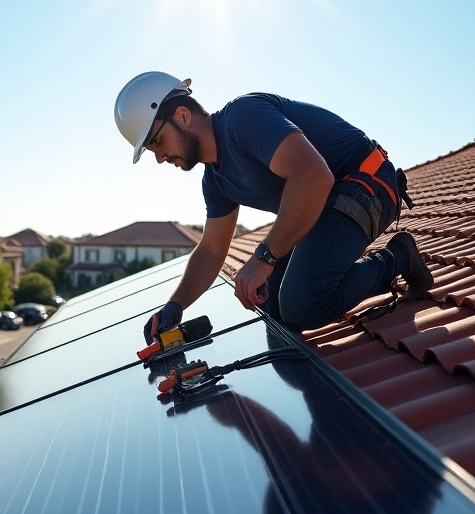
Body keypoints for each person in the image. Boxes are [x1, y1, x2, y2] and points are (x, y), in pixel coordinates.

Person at [114, 71, 434, 342]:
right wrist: (176, 305)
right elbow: (211, 249)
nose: (158, 157)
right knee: (272, 305)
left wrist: (264, 258)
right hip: (325, 204)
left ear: (182, 116)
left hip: (367, 182)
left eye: (155, 142)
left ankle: (399, 258)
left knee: (303, 304)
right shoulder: (216, 181)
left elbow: (313, 175)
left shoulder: (243, 117)